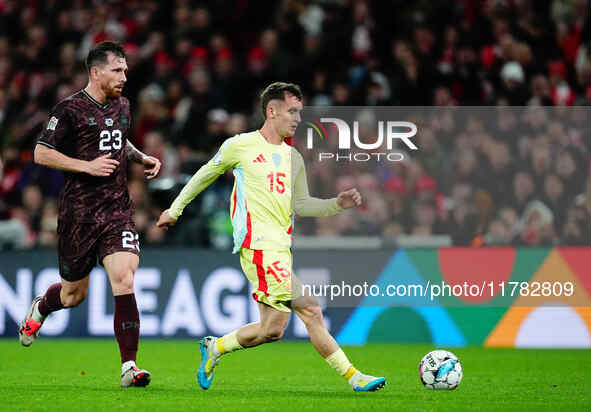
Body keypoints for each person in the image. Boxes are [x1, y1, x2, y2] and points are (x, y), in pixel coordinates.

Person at [156, 82, 386, 392]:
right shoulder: (240, 145)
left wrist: (336, 203)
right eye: (292, 111)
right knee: (311, 309)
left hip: (281, 247)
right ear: (271, 110)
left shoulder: (294, 158)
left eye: (300, 113)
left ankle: (216, 347)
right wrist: (175, 209)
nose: (297, 119)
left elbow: (302, 205)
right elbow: (204, 175)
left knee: (272, 329)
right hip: (258, 245)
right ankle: (355, 378)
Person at [18, 41, 161, 388]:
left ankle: (130, 367)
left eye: (126, 70)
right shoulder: (69, 110)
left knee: (124, 278)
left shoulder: (124, 105)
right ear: (96, 72)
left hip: (117, 210)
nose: (125, 76)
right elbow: (41, 152)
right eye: (117, 70)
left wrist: (140, 157)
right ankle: (43, 305)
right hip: (78, 215)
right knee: (73, 295)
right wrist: (86, 165)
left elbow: (118, 140)